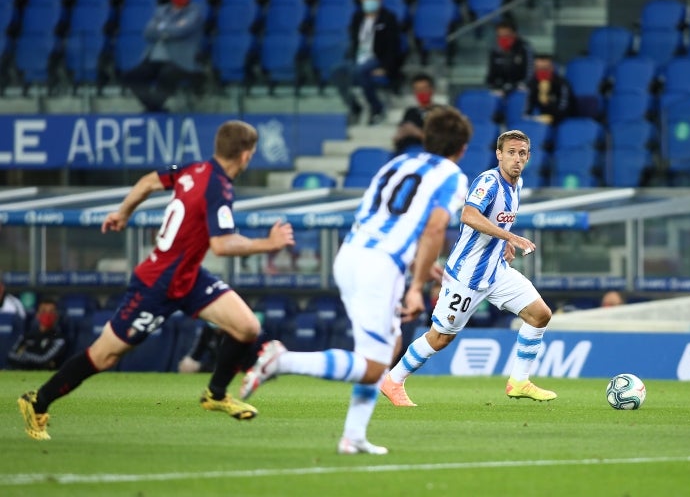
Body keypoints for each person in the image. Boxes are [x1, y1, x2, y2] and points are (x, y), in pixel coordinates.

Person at [17, 120, 296, 441]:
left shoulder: (194, 169)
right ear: (246, 155)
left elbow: (150, 181)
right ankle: (37, 402)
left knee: (246, 327)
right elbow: (222, 244)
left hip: (188, 277)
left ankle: (215, 394)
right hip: (158, 284)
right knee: (104, 356)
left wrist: (124, 213)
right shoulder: (218, 187)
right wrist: (269, 243)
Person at [240, 106, 473, 455]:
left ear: (426, 137)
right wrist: (415, 286)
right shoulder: (452, 176)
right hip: (380, 268)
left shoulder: (395, 164)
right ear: (462, 147)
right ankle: (282, 360)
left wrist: (415, 267)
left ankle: (354, 436)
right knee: (374, 364)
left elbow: (384, 218)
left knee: (391, 343)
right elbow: (435, 227)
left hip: (352, 255)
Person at [380, 129, 557, 407]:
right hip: (467, 275)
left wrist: (503, 242)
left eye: (522, 153)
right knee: (440, 338)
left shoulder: (518, 184)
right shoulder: (489, 181)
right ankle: (393, 380)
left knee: (540, 315)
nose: (517, 159)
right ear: (499, 155)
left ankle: (519, 382)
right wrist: (509, 236)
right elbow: (469, 214)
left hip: (496, 271)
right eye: (511, 152)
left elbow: (497, 220)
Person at [122, 0, 203, 112]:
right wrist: (170, 29)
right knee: (131, 76)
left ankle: (153, 109)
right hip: (155, 58)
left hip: (180, 60)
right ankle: (154, 108)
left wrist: (161, 28)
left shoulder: (195, 13)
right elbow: (148, 32)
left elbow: (181, 31)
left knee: (167, 74)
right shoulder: (161, 11)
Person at [332, 0, 403, 125]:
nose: (369, 1)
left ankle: (377, 108)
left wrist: (386, 68)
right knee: (337, 71)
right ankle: (354, 106)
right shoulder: (357, 17)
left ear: (380, 0)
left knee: (360, 71)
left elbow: (393, 46)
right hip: (358, 58)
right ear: (361, 0)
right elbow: (354, 41)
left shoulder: (388, 18)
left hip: (377, 59)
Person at [7, 298, 66, 371]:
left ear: (56, 315)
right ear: (37, 315)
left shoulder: (58, 338)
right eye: (43, 311)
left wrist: (24, 355)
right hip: (23, 374)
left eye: (51, 312)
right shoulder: (27, 336)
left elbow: (43, 360)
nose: (47, 315)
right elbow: (11, 356)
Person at [392, 72, 439, 155]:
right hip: (408, 155)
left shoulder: (441, 112)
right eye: (417, 90)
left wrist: (417, 133)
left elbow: (442, 141)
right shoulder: (410, 112)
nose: (421, 93)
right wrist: (399, 136)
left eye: (424, 89)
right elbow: (398, 140)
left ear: (432, 90)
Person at [485, 19, 534, 96]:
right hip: (500, 89)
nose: (503, 38)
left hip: (519, 88)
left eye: (506, 36)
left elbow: (529, 75)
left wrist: (512, 87)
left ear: (515, 34)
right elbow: (490, 76)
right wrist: (495, 87)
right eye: (500, 36)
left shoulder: (524, 49)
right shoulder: (495, 51)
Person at [524, 54, 575, 125]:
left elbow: (564, 110)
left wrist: (548, 103)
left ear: (552, 68)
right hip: (543, 121)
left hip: (563, 121)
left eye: (544, 68)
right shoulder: (533, 84)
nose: (541, 71)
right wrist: (534, 118)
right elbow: (527, 110)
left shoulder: (562, 84)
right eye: (538, 69)